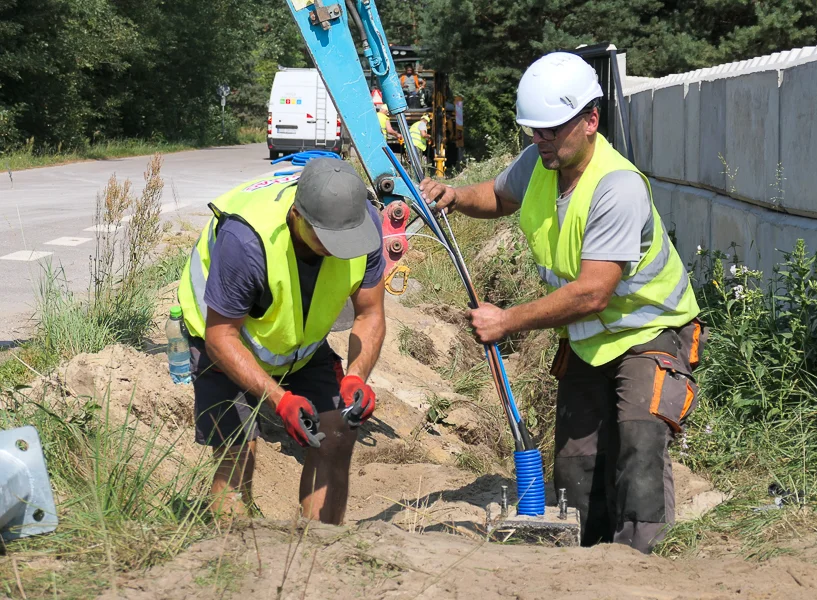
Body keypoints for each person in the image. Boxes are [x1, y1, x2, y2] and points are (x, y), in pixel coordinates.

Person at [418, 52, 707, 554]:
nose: (540, 140)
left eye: (551, 130)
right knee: (576, 467)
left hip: (649, 333)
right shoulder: (540, 161)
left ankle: (641, 564)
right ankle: (584, 560)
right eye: (534, 131)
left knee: (638, 448)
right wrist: (454, 196)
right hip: (590, 341)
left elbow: (593, 292)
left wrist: (507, 321)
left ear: (590, 120)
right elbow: (499, 196)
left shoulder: (617, 188)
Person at [177, 157, 387, 525]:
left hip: (297, 347)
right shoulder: (246, 242)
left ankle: (318, 554)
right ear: (297, 215)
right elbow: (220, 336)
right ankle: (232, 561)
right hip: (226, 341)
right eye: (327, 239)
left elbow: (370, 314)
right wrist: (281, 400)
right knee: (237, 450)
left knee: (338, 432)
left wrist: (356, 377)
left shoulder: (361, 225)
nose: (339, 249)